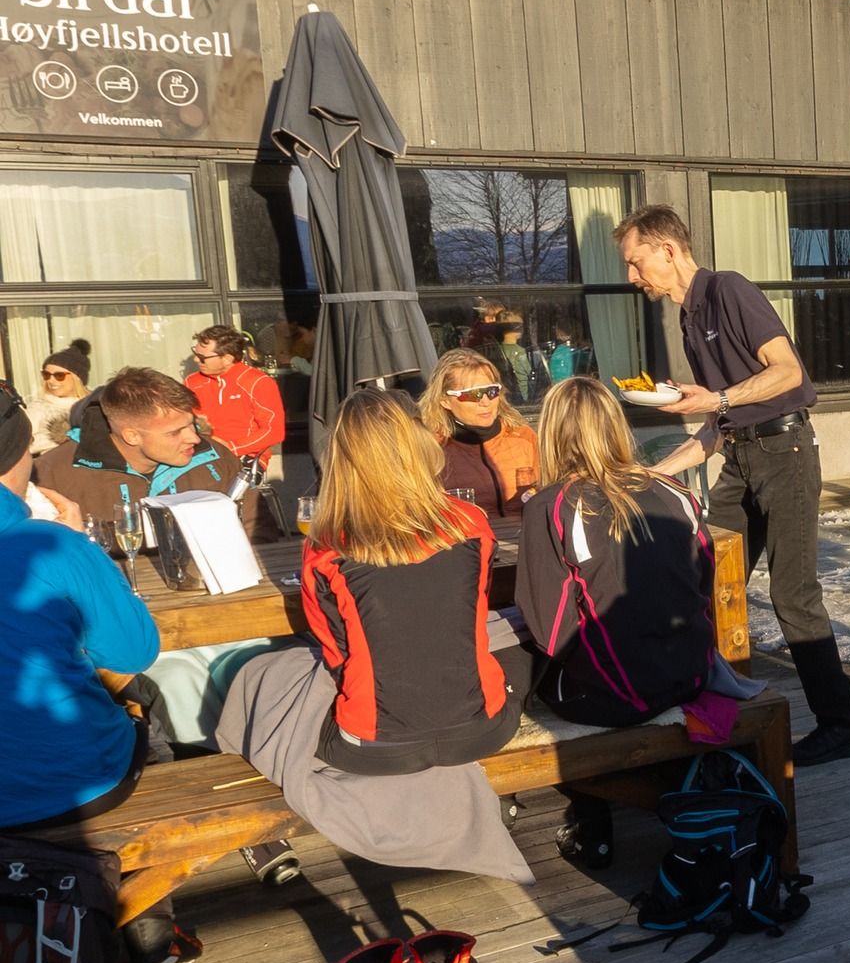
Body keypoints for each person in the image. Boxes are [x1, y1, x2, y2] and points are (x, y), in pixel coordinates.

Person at [616, 204, 850, 767]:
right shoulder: (687, 318)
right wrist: (654, 472)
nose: (632, 277)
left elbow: (787, 372)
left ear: (668, 250)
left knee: (792, 596)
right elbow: (715, 423)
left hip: (787, 453)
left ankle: (843, 725)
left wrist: (721, 399)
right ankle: (719, 708)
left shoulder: (729, 289)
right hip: (741, 456)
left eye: (636, 263)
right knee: (702, 577)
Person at [0, 379, 199, 963]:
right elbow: (134, 649)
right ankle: (148, 930)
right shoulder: (48, 546)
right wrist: (79, 541)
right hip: (71, 785)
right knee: (145, 702)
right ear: (18, 456)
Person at [518, 376, 719, 865]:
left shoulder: (552, 506)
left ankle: (591, 813)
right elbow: (704, 585)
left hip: (617, 694)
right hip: (693, 674)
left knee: (522, 678)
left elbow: (549, 627)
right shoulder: (676, 494)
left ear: (550, 434)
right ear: (617, 427)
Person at [300, 390, 531, 774]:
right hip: (482, 729)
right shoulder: (471, 523)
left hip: (375, 744)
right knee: (521, 649)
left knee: (278, 677)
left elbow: (336, 654)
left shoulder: (324, 546)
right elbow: (472, 609)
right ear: (419, 443)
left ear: (341, 456)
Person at [35, 364, 258, 537]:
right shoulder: (53, 473)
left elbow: (256, 528)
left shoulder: (213, 456)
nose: (193, 437)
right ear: (131, 436)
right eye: (174, 432)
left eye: (192, 424)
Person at [419, 348, 541, 521]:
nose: (485, 402)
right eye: (474, 394)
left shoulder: (523, 436)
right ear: (445, 401)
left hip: (526, 539)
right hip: (469, 543)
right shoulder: (433, 449)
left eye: (491, 391)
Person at [185, 325, 286, 471]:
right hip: (202, 454)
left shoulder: (257, 382)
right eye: (195, 353)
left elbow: (274, 431)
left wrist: (232, 447)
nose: (196, 359)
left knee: (214, 484)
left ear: (227, 358)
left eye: (202, 357)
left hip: (244, 455)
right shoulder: (192, 382)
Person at [27, 339, 91, 453]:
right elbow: (17, 446)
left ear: (77, 378)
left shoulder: (94, 407)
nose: (50, 381)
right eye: (46, 375)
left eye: (59, 375)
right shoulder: (36, 409)